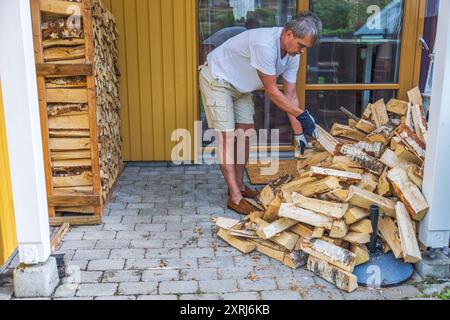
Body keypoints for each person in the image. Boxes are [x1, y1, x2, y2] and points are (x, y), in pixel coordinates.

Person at [199, 11, 323, 215]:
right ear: (289, 34)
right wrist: (303, 116)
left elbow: (290, 96)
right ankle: (235, 197)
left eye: (305, 48)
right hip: (218, 79)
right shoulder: (265, 45)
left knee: (246, 134)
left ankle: (239, 185)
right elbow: (273, 92)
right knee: (228, 138)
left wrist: (299, 133)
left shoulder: (293, 54)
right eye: (301, 45)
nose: (302, 51)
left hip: (241, 86)